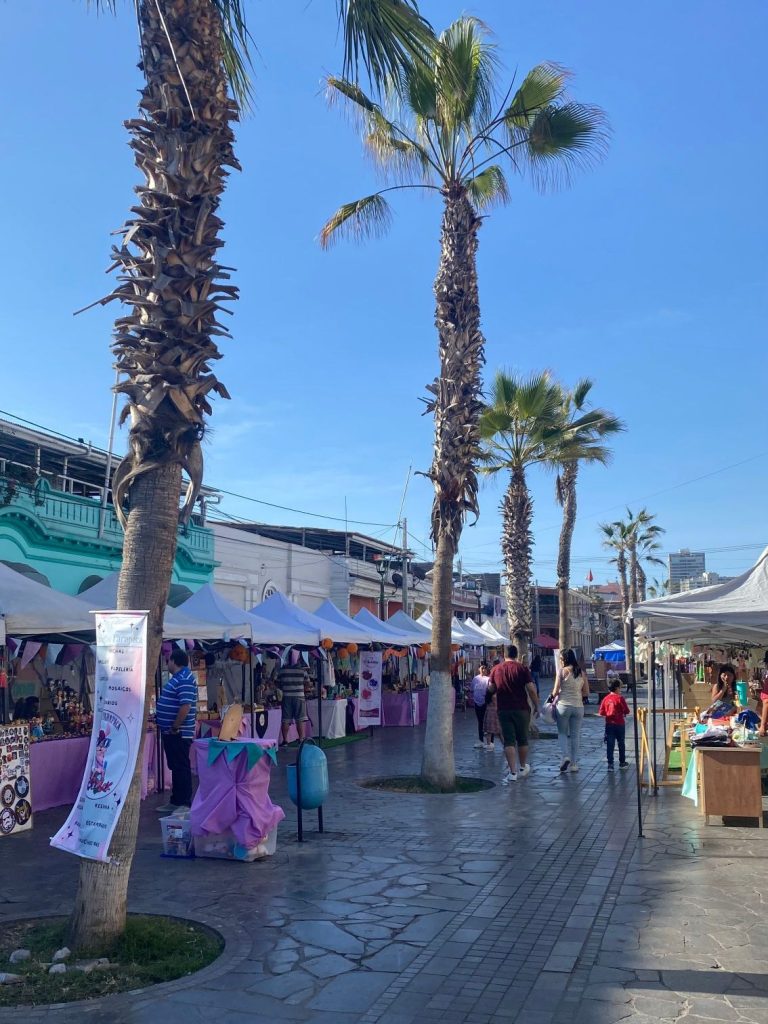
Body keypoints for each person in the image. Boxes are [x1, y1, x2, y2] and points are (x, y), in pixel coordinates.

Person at [487, 644, 540, 784]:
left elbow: (491, 688)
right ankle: (522, 767)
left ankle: (512, 772)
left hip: (504, 709)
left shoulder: (496, 669)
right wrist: (536, 705)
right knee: (522, 739)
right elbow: (531, 689)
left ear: (504, 655)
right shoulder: (522, 669)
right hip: (521, 709)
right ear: (516, 655)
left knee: (509, 740)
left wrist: (488, 698)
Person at [156, 650, 197, 814]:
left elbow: (185, 706)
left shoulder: (185, 679)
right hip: (172, 731)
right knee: (176, 766)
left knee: (181, 766)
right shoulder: (179, 679)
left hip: (179, 732)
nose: (167, 664)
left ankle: (184, 802)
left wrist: (175, 726)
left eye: (168, 661)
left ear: (174, 661)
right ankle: (176, 800)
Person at [552, 648, 590, 773]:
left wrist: (552, 696)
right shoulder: (582, 673)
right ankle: (574, 764)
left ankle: (565, 756)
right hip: (578, 707)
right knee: (575, 736)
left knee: (562, 733)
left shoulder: (562, 671)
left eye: (561, 659)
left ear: (564, 659)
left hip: (563, 706)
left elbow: (556, 691)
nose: (560, 661)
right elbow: (586, 692)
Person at [598, 677, 631, 771]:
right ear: (617, 688)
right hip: (620, 723)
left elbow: (601, 712)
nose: (620, 689)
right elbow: (627, 711)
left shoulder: (605, 699)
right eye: (620, 688)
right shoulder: (620, 698)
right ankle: (622, 762)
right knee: (621, 743)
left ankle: (610, 764)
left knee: (610, 744)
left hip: (609, 724)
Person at [277, 656, 310, 746]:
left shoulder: (282, 670)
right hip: (299, 696)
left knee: (286, 719)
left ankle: (285, 740)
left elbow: (278, 683)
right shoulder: (303, 670)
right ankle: (301, 739)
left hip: (286, 696)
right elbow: (307, 683)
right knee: (300, 719)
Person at [471, 662, 492, 749]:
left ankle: (490, 742)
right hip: (477, 703)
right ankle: (481, 740)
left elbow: (491, 690)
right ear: (479, 669)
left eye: (484, 668)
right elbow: (472, 689)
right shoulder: (475, 679)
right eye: (481, 668)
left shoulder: (489, 679)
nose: (483, 670)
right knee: (480, 722)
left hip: (485, 703)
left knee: (487, 722)